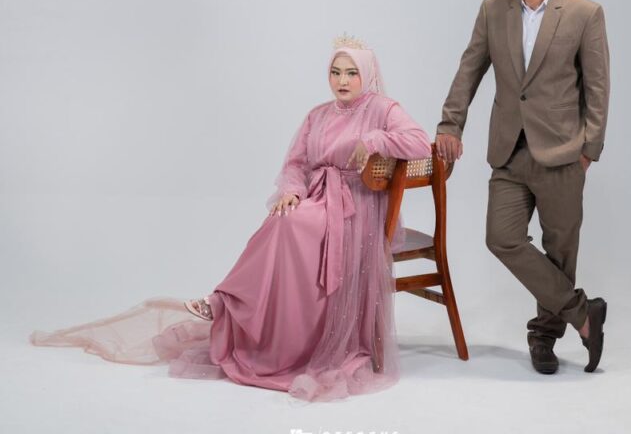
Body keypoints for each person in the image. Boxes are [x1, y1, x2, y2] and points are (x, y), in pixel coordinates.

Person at [31, 37, 432, 401]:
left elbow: (417, 142)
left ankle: (226, 301)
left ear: (367, 75)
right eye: (335, 72)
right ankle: (237, 309)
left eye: (351, 73)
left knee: (291, 227)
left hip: (355, 207)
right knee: (282, 219)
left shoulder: (383, 109)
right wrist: (291, 190)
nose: (342, 81)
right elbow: (296, 163)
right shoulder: (318, 115)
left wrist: (374, 139)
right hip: (316, 199)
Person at [435, 0, 610, 375]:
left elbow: (597, 87)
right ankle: (583, 313)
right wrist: (450, 123)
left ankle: (543, 337)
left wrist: (588, 149)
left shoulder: (584, 13)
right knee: (502, 237)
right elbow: (469, 69)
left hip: (563, 151)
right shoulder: (493, 10)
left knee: (560, 251)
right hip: (509, 151)